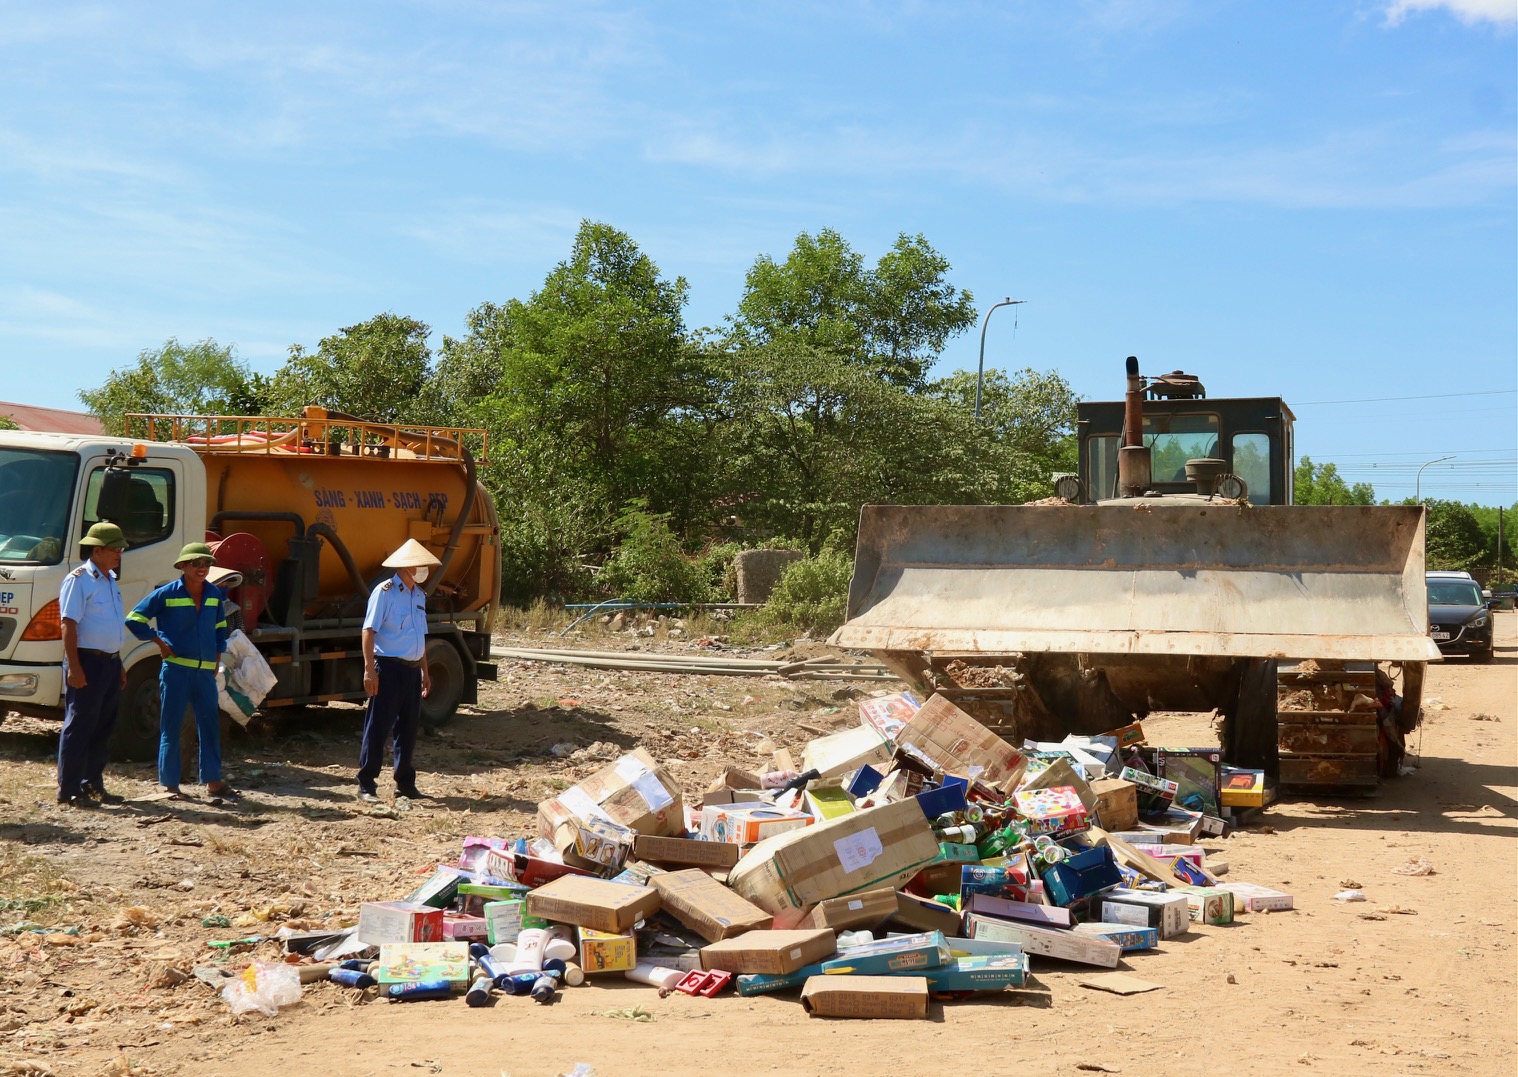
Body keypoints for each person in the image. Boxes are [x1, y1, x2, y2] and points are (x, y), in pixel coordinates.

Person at [126, 542, 234, 799]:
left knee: (209, 726)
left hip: (205, 673)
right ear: (182, 566)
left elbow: (220, 628)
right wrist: (159, 642)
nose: (202, 568)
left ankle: (213, 782)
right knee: (170, 726)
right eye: (196, 563)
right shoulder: (166, 593)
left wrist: (216, 655)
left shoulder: (213, 595)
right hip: (176, 671)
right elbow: (134, 618)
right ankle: (169, 784)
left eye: (206, 563)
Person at [356, 539, 440, 803]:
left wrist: (425, 671)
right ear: (407, 566)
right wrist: (370, 669)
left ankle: (404, 783)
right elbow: (369, 631)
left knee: (408, 728)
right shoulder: (385, 592)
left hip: (412, 671)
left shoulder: (418, 596)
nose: (424, 568)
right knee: (378, 727)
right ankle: (366, 784)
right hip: (389, 668)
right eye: (420, 564)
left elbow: (419, 637)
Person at [56, 521, 129, 807]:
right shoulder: (79, 579)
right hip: (87, 661)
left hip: (109, 664)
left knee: (103, 725)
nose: (119, 554)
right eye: (115, 548)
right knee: (80, 725)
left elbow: (110, 627)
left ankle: (92, 783)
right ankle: (69, 789)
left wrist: (118, 662)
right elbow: (68, 625)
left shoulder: (110, 579)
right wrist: (74, 667)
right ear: (97, 550)